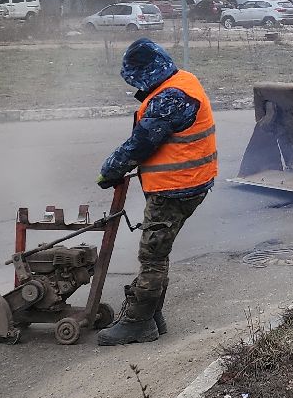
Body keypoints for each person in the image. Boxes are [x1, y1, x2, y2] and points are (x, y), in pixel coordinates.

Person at [93, 37, 217, 345]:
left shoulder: (170, 97)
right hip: (188, 182)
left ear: (147, 73)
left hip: (176, 188)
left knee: (153, 255)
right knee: (158, 251)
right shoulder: (182, 81)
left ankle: (139, 322)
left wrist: (111, 169)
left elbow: (143, 142)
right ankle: (153, 314)